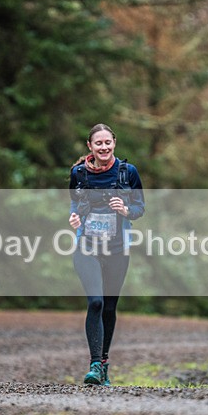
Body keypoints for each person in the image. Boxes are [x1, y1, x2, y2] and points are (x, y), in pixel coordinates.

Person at [68, 123, 145, 386]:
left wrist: (125, 209)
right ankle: (94, 364)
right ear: (90, 146)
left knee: (110, 307)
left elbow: (140, 207)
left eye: (108, 142)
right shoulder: (78, 173)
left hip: (116, 249)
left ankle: (104, 364)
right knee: (96, 302)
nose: (104, 147)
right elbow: (74, 202)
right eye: (98, 143)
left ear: (114, 143)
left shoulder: (128, 173)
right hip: (86, 247)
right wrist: (74, 217)